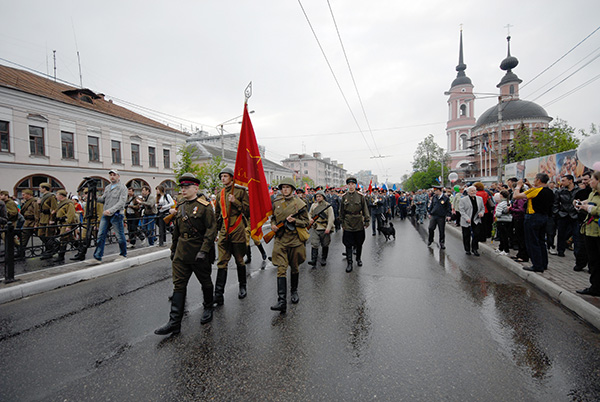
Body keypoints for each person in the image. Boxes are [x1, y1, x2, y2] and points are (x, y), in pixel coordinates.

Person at [155, 173, 217, 335]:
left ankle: (208, 307)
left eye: (187, 187)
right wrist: (173, 249)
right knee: (178, 285)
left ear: (195, 188)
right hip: (182, 252)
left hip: (199, 252)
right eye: (181, 187)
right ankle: (174, 322)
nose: (183, 190)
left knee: (205, 281)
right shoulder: (180, 205)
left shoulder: (204, 206)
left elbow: (211, 230)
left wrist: (204, 251)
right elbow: (177, 230)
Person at [269, 178, 309, 313]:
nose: (285, 189)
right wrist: (273, 225)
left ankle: (294, 291)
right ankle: (281, 300)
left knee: (294, 267)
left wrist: (295, 220)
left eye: (287, 187)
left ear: (292, 189)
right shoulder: (276, 202)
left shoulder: (300, 204)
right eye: (283, 187)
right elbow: (273, 217)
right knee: (281, 268)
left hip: (295, 240)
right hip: (280, 239)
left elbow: (306, 222)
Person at [214, 167, 250, 304]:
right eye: (221, 176)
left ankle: (242, 286)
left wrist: (235, 201)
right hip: (224, 230)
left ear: (231, 177)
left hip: (237, 228)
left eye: (225, 176)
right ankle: (218, 294)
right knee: (222, 261)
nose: (223, 178)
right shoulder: (220, 194)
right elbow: (217, 214)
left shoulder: (240, 192)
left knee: (239, 259)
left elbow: (248, 211)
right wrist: (216, 232)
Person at [513, 173, 554, 272]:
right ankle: (543, 263)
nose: (534, 181)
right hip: (544, 217)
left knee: (532, 242)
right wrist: (530, 186)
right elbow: (535, 193)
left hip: (533, 217)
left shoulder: (535, 191)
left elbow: (516, 196)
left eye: (535, 179)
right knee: (541, 241)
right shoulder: (549, 191)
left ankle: (537, 265)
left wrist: (518, 186)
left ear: (539, 180)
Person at [90, 169, 127, 264]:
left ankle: (123, 254)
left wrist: (111, 210)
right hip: (106, 215)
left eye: (114, 174)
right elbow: (103, 199)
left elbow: (121, 203)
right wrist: (94, 197)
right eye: (110, 175)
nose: (112, 176)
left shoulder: (122, 188)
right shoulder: (107, 187)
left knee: (119, 236)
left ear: (118, 176)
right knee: (100, 235)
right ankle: (97, 257)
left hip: (116, 215)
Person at [575, 171, 600, 296]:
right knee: (593, 260)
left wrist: (589, 208)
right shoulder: (592, 193)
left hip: (598, 230)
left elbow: (595, 208)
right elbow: (588, 203)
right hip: (589, 230)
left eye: (592, 179)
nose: (590, 182)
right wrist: (580, 205)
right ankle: (595, 287)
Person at [339, 177, 370, 272]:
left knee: (359, 242)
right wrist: (342, 223)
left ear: (355, 185)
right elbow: (341, 211)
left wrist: (367, 220)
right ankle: (349, 263)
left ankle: (358, 258)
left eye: (353, 184)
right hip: (348, 222)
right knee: (348, 244)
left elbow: (365, 209)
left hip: (358, 222)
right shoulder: (344, 197)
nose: (351, 186)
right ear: (347, 185)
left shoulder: (360, 197)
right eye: (349, 184)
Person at [553, 175, 578, 258]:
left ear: (570, 181)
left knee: (576, 235)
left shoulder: (578, 191)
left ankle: (578, 255)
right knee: (561, 234)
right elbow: (555, 203)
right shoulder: (560, 191)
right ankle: (560, 250)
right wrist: (558, 212)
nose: (561, 182)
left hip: (574, 215)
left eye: (564, 180)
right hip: (563, 215)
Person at [307, 190, 334, 266]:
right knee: (314, 244)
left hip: (324, 227)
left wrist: (329, 227)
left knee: (325, 244)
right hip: (316, 227)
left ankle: (323, 259)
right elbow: (309, 214)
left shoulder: (328, 206)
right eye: (317, 196)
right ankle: (313, 260)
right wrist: (310, 219)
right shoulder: (313, 205)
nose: (318, 198)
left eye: (320, 196)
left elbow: (331, 218)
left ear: (323, 197)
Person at [573, 172, 592, 271]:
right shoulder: (580, 192)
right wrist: (576, 204)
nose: (584, 182)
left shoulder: (594, 193)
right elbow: (576, 201)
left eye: (586, 179)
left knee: (591, 247)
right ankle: (580, 263)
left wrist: (587, 207)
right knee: (580, 244)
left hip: (592, 222)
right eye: (583, 180)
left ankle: (591, 266)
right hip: (581, 221)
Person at [53, 190, 78, 262]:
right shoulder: (61, 203)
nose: (56, 196)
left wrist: (68, 225)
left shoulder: (69, 203)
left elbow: (71, 215)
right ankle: (81, 249)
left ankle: (61, 256)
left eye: (57, 195)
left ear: (61, 196)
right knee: (70, 238)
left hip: (66, 223)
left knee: (63, 238)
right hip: (61, 223)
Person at [459, 186, 484, 256]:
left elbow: (482, 208)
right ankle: (467, 249)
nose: (473, 192)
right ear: (468, 192)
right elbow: (462, 210)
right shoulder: (463, 200)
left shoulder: (479, 199)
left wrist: (481, 213)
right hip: (467, 220)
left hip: (476, 219)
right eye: (472, 191)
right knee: (466, 235)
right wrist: (466, 218)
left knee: (476, 234)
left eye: (474, 191)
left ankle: (475, 249)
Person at [38, 183, 58, 259]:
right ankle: (51, 248)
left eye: (40, 188)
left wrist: (52, 219)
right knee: (41, 234)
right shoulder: (43, 197)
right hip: (43, 218)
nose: (39, 189)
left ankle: (50, 251)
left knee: (48, 235)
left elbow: (54, 208)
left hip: (48, 218)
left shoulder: (51, 196)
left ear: (44, 188)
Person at [18, 189, 38, 258]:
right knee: (23, 238)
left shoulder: (34, 202)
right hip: (27, 222)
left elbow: (36, 213)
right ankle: (21, 253)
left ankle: (51, 248)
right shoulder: (26, 202)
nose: (22, 196)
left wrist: (36, 223)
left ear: (29, 194)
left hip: (32, 221)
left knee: (42, 236)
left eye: (24, 195)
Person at [494, 190, 513, 256]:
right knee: (506, 235)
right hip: (509, 221)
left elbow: (498, 214)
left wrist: (496, 214)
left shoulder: (500, 204)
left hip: (501, 221)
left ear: (501, 196)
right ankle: (501, 248)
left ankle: (505, 250)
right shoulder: (510, 202)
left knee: (503, 236)